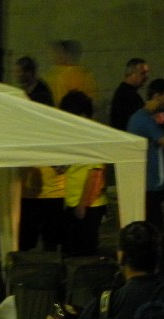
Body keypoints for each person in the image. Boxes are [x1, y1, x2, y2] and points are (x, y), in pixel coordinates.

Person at [126, 78, 164, 233]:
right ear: (156, 96)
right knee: (156, 231)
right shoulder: (144, 120)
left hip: (149, 185)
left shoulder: (145, 118)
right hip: (148, 187)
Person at [60, 91, 107, 256]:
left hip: (89, 205)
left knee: (84, 251)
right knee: (71, 249)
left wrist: (82, 205)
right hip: (75, 202)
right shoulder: (78, 135)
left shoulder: (92, 137)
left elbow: (95, 175)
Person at [108, 57, 148, 131]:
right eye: (142, 73)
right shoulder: (127, 95)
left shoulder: (125, 92)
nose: (146, 77)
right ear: (131, 74)